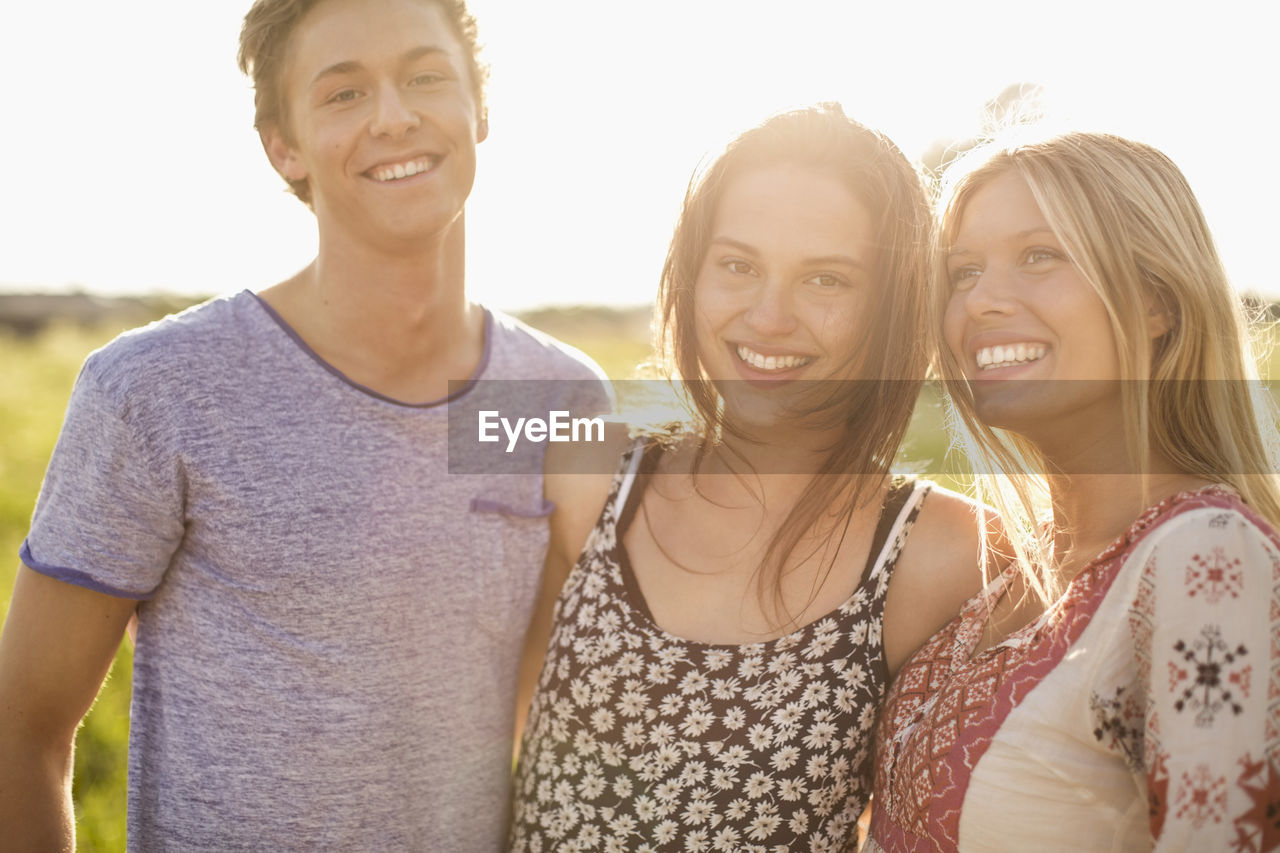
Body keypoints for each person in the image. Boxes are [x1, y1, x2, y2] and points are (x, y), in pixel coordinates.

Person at [0, 0, 606, 849]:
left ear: (480, 109)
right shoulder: (158, 391)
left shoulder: (556, 399)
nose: (395, 116)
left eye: (426, 77)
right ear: (283, 147)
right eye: (344, 94)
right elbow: (21, 733)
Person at [509, 103, 987, 851]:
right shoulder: (589, 476)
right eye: (737, 265)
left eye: (825, 280)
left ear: (893, 307)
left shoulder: (940, 554)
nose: (768, 317)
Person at [867, 132, 1280, 851]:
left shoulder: (1207, 559)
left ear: (1157, 302)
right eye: (963, 272)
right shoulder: (1007, 571)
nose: (983, 301)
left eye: (1039, 255)